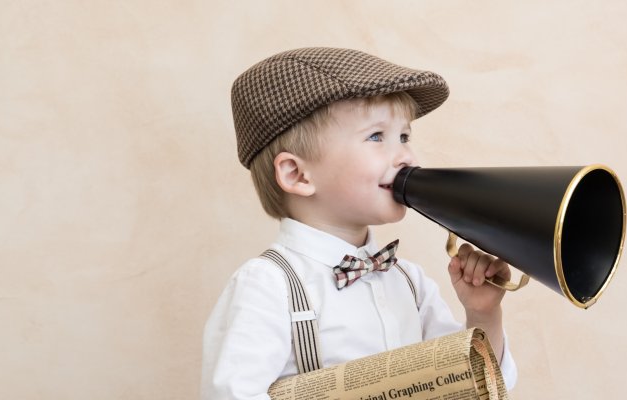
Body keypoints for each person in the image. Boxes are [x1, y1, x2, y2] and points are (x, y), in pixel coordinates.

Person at [201, 47, 517, 399]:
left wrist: (483, 313)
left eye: (405, 137)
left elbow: (472, 384)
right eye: (376, 136)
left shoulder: (408, 281)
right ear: (297, 174)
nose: (407, 156)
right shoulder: (267, 285)